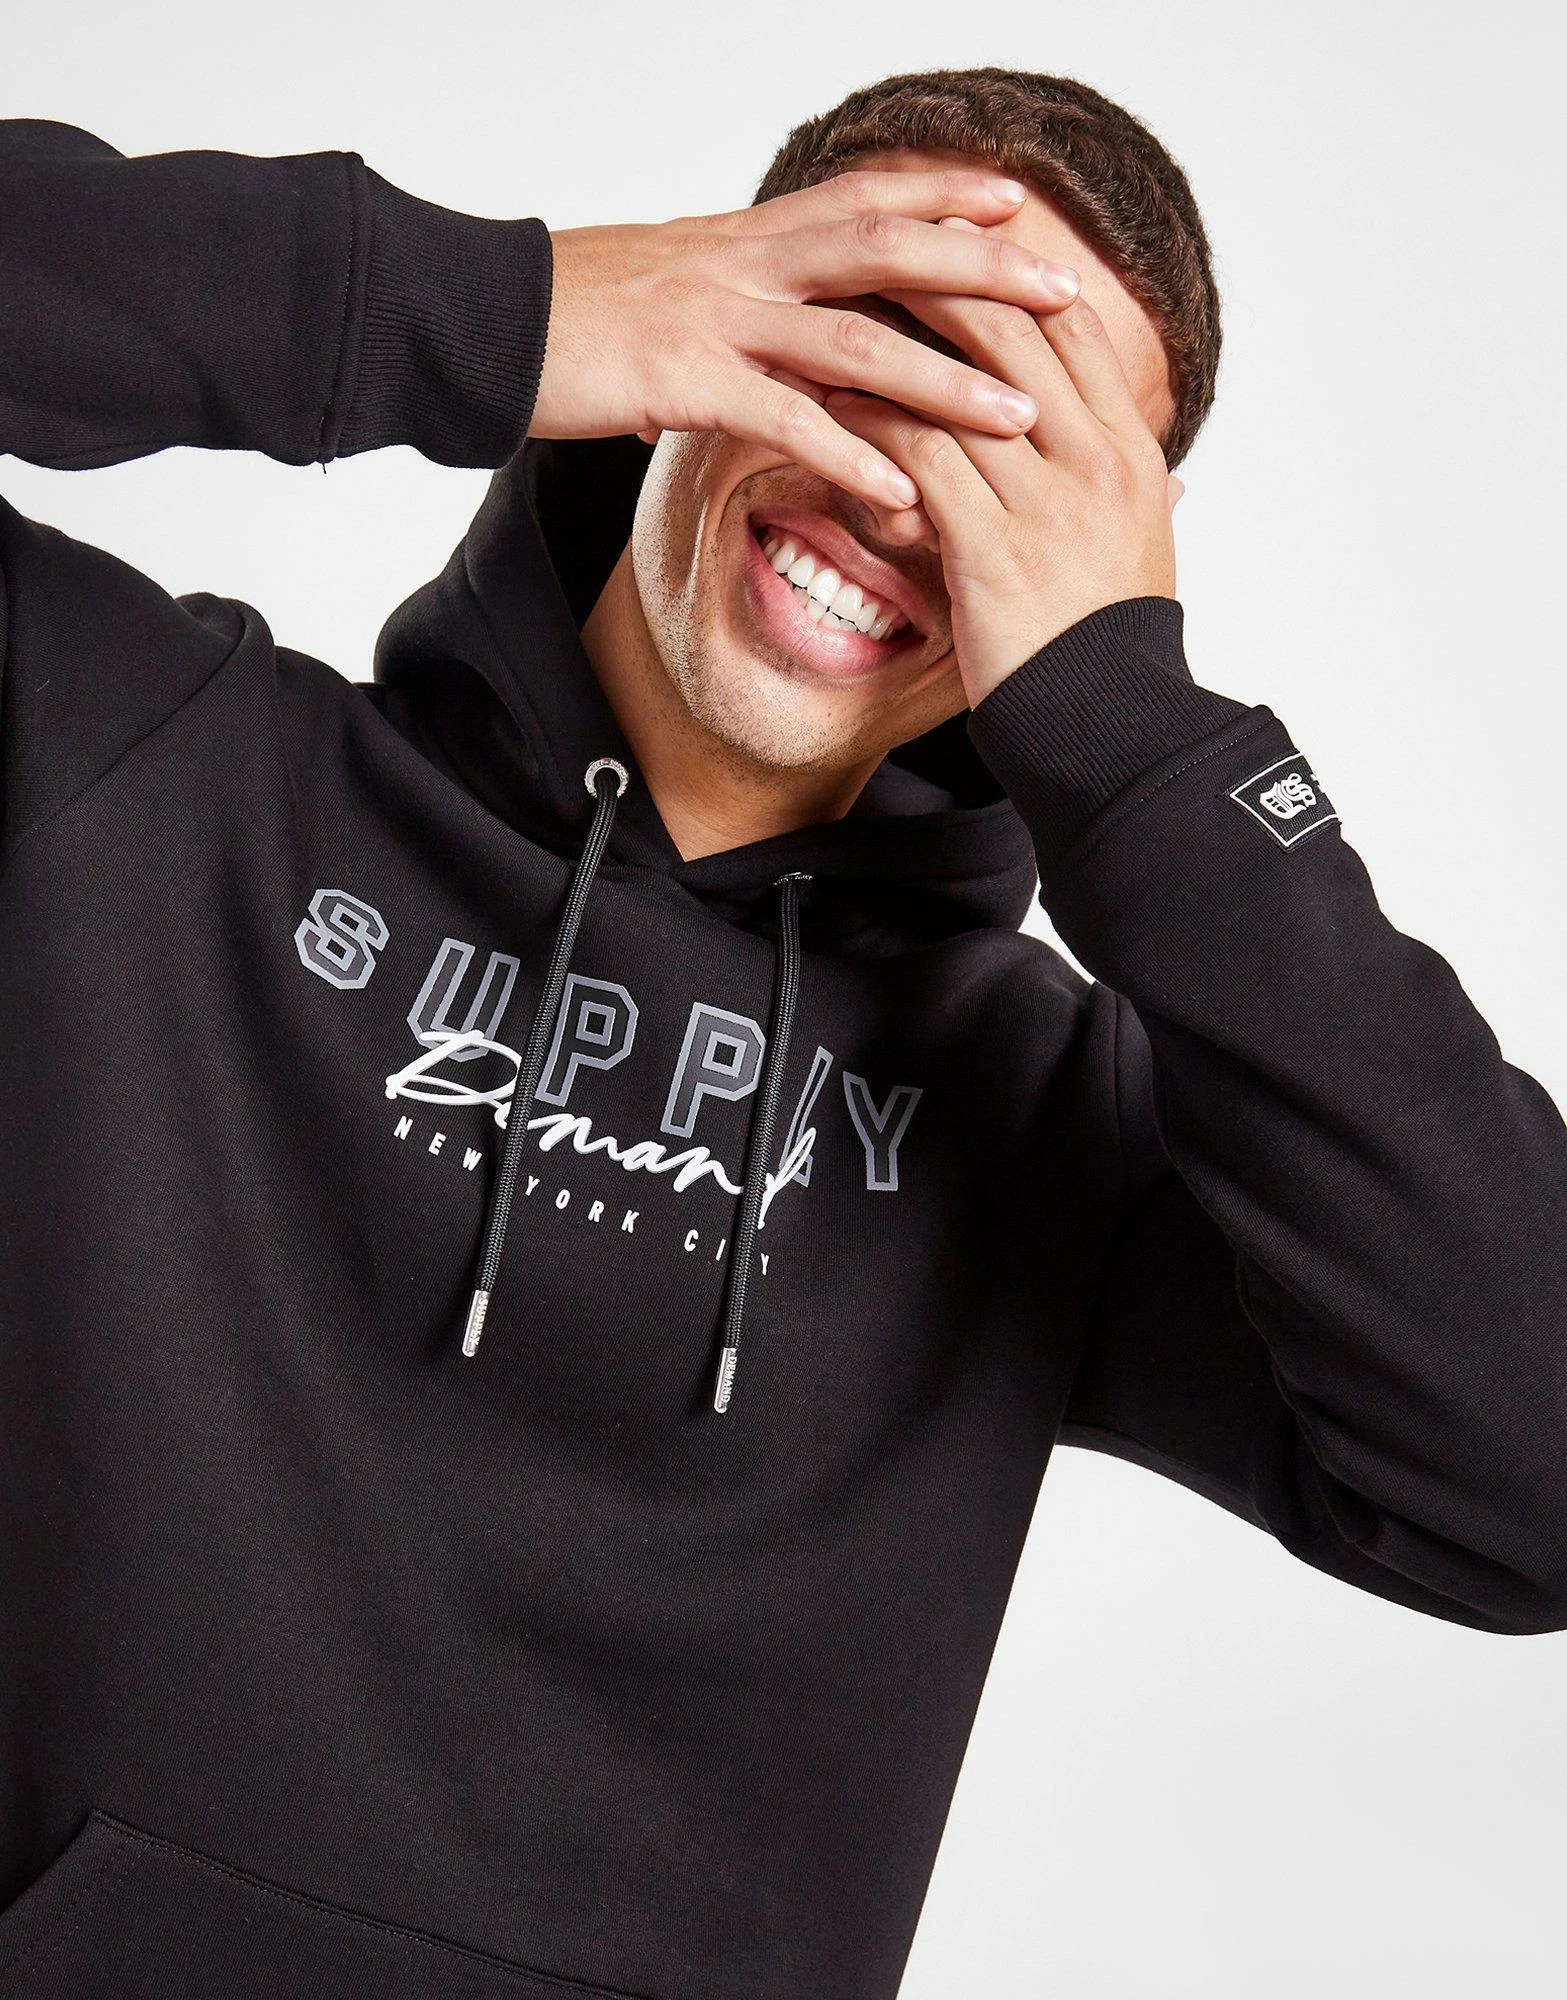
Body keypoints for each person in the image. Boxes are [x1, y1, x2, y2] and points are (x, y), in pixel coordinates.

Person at [0, 64, 1562, 2000]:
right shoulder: (139, 759)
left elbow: (1535, 1481)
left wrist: (1139, 743)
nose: (905, 489)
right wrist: (497, 311)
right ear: (705, 329)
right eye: (864, 357)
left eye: (1017, 454)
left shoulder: (1046, 1116)